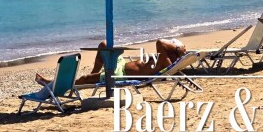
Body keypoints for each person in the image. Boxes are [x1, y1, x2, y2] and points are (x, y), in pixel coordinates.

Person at [36, 38, 186, 87]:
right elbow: (162, 44)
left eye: (172, 45)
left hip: (120, 74)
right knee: (104, 45)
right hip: (121, 64)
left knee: (84, 79)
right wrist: (178, 49)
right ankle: (94, 74)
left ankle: (53, 84)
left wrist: (179, 49)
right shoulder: (166, 58)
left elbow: (160, 42)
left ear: (173, 50)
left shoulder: (166, 61)